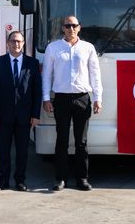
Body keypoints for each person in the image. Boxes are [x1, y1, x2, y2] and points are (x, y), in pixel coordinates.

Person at [42, 15, 102, 191]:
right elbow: (46, 75)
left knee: (81, 142)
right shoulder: (53, 48)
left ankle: (82, 178)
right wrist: (46, 98)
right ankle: (60, 179)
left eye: (74, 25)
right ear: (63, 28)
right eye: (68, 25)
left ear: (79, 27)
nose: (71, 28)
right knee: (61, 141)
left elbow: (95, 74)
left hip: (82, 99)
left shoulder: (88, 48)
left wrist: (98, 97)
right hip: (61, 99)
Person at [0, 30, 42, 192]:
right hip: (4, 116)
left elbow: (37, 91)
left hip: (25, 117)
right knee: (4, 151)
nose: (16, 44)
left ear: (23, 43)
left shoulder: (32, 63)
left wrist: (35, 115)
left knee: (22, 152)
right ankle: (3, 180)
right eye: (13, 41)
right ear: (8, 43)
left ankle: (20, 181)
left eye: (19, 41)